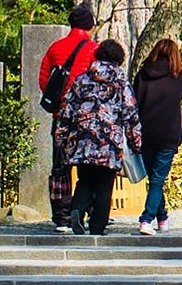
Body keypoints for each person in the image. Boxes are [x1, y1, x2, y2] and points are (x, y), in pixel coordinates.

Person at [58, 39, 142, 236]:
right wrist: (136, 142)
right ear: (119, 59)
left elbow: (67, 112)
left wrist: (62, 138)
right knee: (104, 187)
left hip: (83, 141)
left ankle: (77, 211)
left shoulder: (81, 80)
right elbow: (131, 115)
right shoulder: (121, 84)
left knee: (85, 181)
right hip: (109, 144)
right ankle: (97, 227)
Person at [37, 2, 99, 233]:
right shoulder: (94, 50)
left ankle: (61, 217)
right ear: (90, 27)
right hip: (86, 117)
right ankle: (88, 211)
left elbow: (45, 81)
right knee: (88, 164)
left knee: (60, 166)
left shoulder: (55, 48)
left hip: (61, 114)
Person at [132, 38, 182, 235]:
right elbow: (181, 95)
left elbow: (135, 101)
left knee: (154, 178)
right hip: (168, 134)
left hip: (145, 132)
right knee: (157, 180)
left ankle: (162, 217)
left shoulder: (142, 75)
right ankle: (146, 219)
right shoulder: (180, 78)